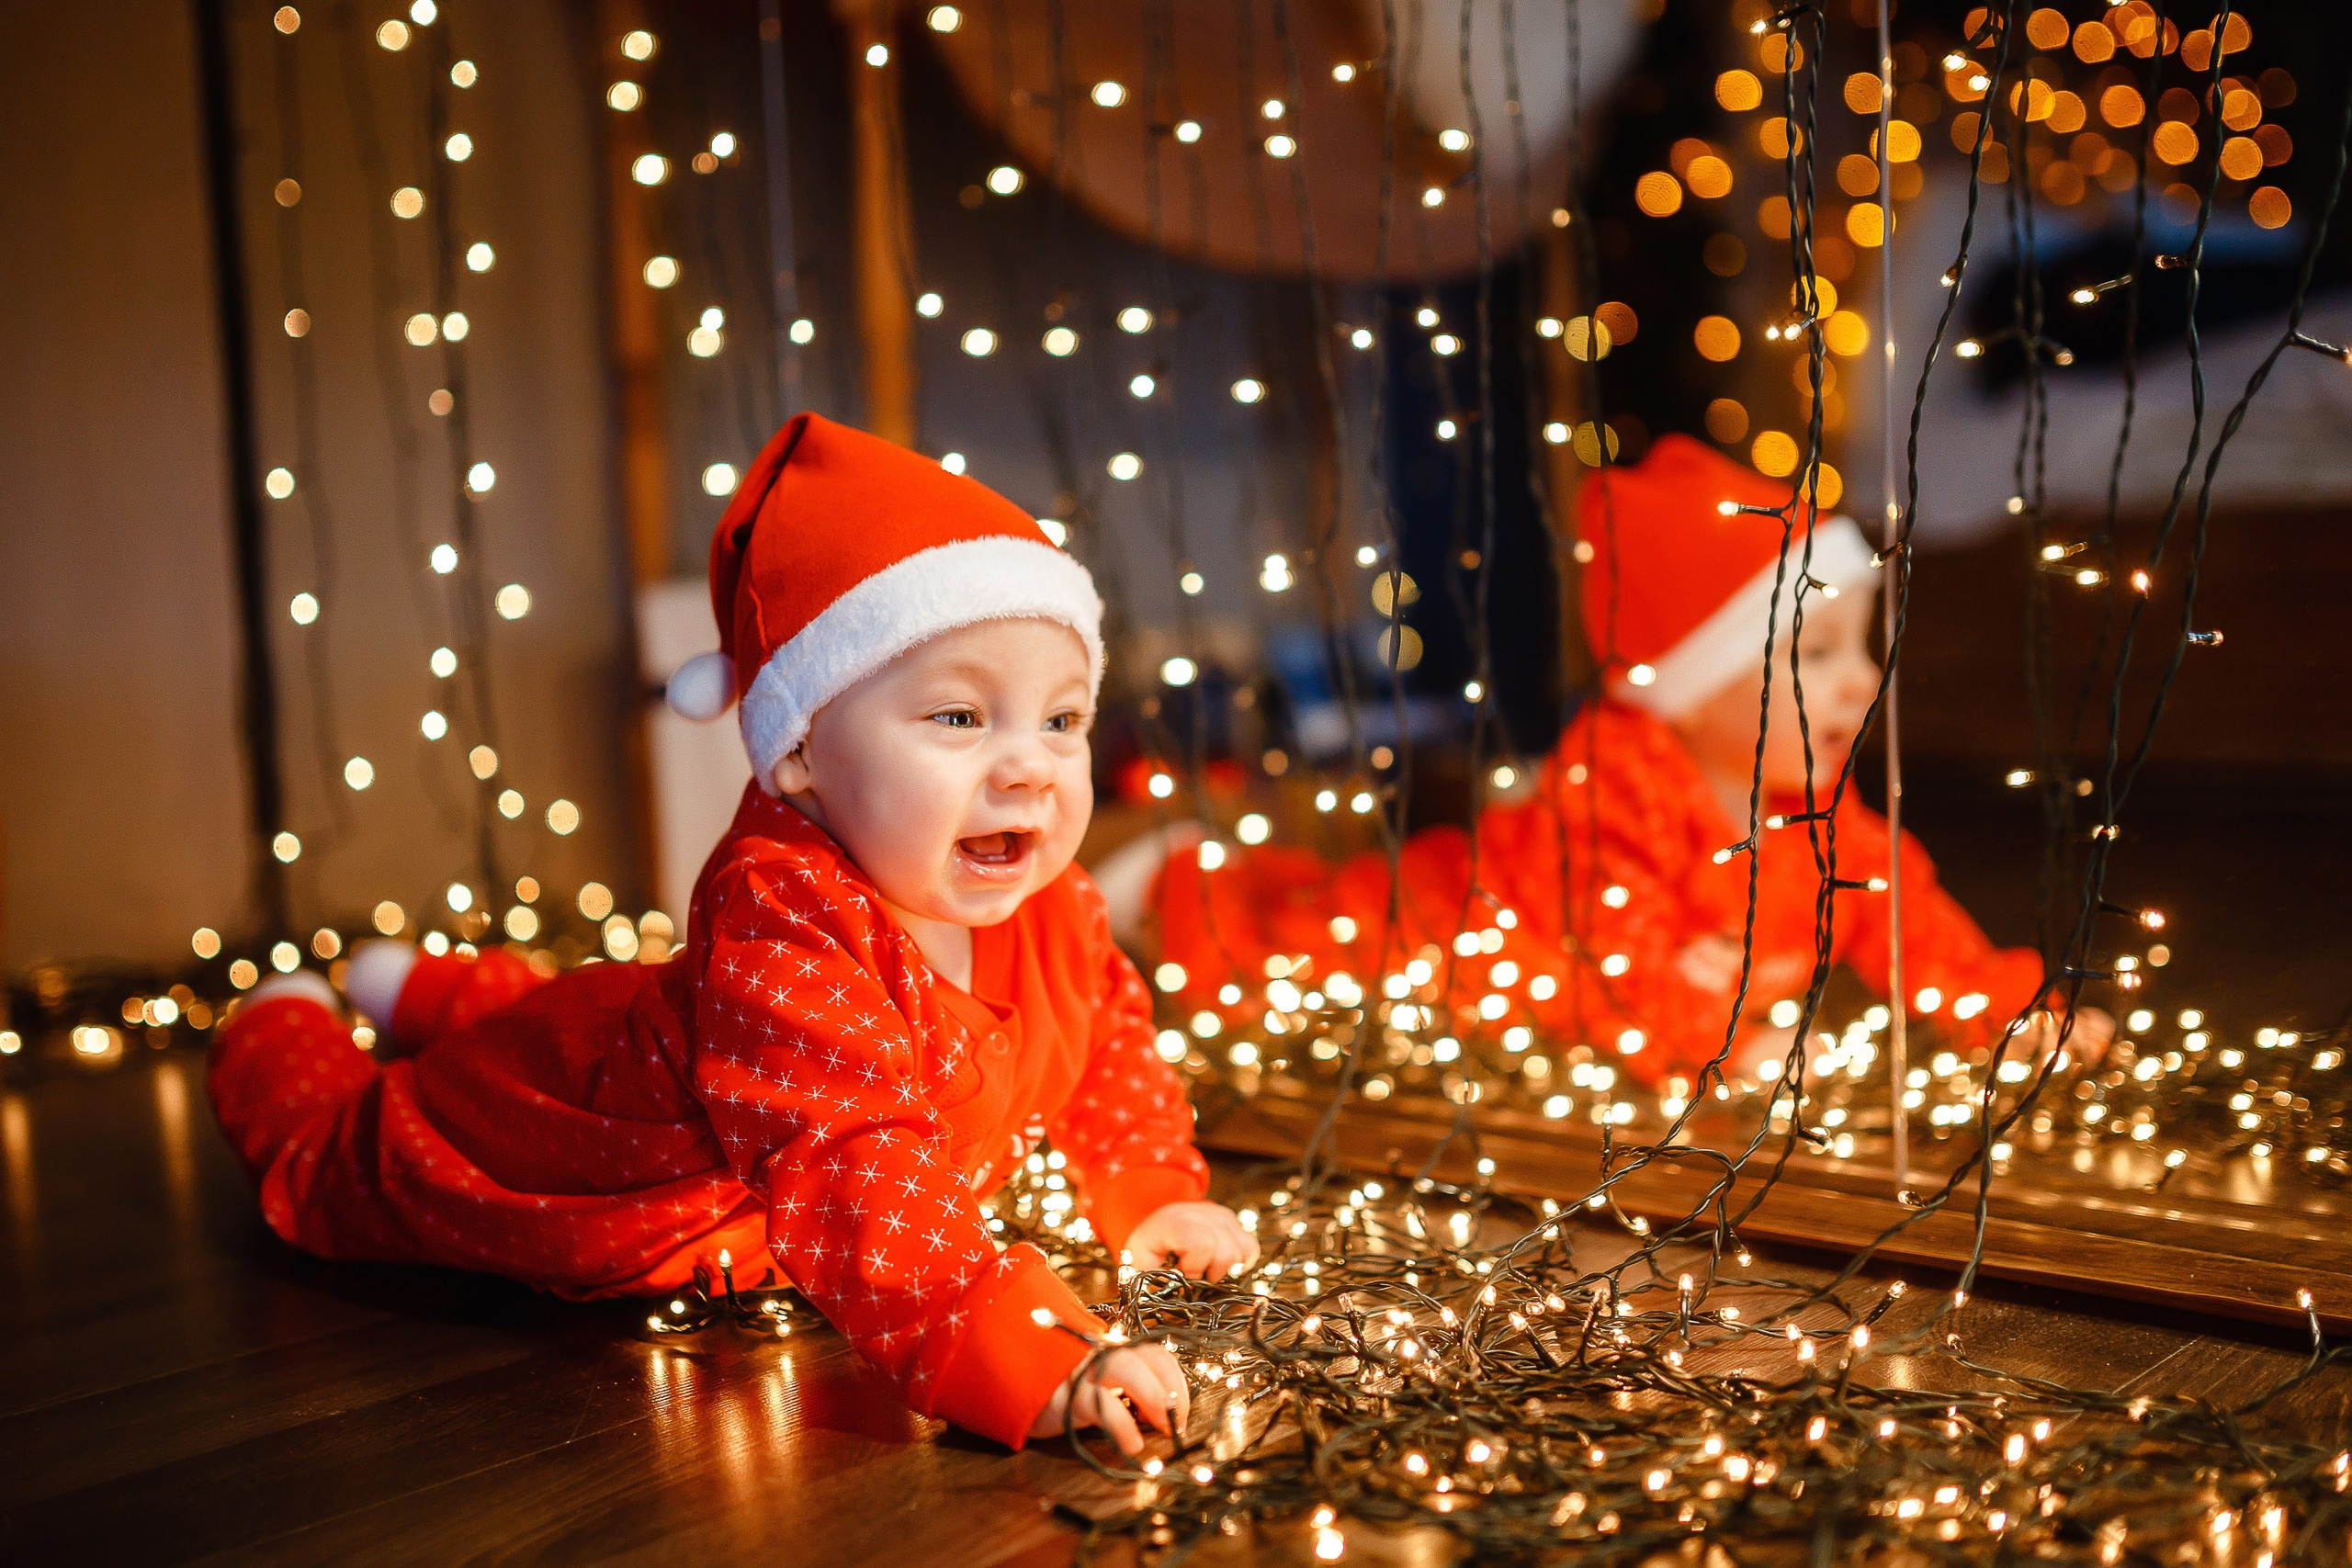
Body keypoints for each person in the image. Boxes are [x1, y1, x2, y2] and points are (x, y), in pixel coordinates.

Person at [210, 414, 1253, 1455]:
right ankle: (283, 1023)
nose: (1030, 766)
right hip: (598, 1160)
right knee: (356, 1157)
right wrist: (1020, 1345)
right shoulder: (781, 919)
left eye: (1061, 720)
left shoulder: (1051, 908)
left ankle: (439, 991)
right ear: (798, 753)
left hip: (658, 1040)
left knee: (615, 998)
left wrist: (1145, 1190)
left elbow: (1108, 1042)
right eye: (959, 718)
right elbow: (848, 1159)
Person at [1140, 434, 2110, 1090]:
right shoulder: (1614, 804)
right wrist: (1720, 1045)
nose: (1861, 682)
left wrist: (2001, 1014)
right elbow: (1622, 976)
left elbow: (1908, 919)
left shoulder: (1818, 815)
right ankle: (1173, 876)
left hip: (1551, 1002)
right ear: (1695, 685)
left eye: (1863, 646)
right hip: (1453, 939)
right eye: (1814, 654)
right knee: (1284, 957)